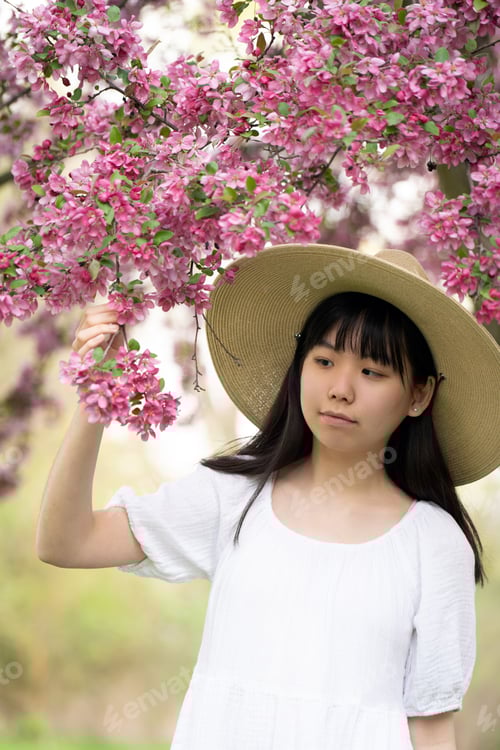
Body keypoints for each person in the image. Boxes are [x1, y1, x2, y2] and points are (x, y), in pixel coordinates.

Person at [37, 243, 500, 750]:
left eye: (372, 372)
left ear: (419, 395)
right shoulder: (233, 498)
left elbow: (431, 729)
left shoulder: (434, 542)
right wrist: (95, 397)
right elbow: (66, 542)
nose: (341, 388)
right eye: (324, 360)